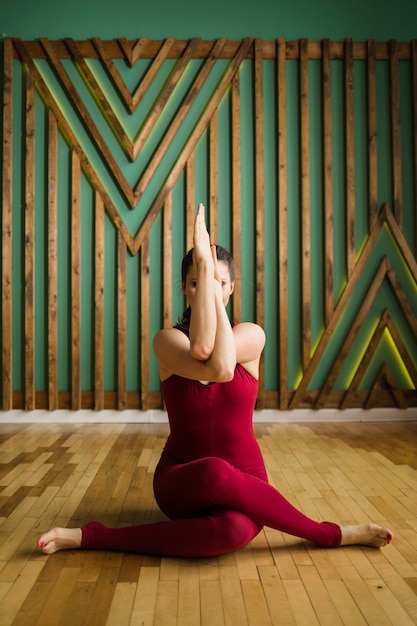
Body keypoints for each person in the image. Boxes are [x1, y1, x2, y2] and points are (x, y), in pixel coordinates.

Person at [38, 204, 393, 556]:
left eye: (218, 283)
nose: (207, 289)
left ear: (231, 289)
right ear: (185, 289)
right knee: (215, 471)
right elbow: (208, 354)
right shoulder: (167, 341)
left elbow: (221, 362)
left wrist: (207, 278)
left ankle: (93, 536)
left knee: (234, 530)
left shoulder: (252, 336)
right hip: (182, 481)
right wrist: (207, 272)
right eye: (197, 283)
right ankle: (329, 534)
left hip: (249, 481)